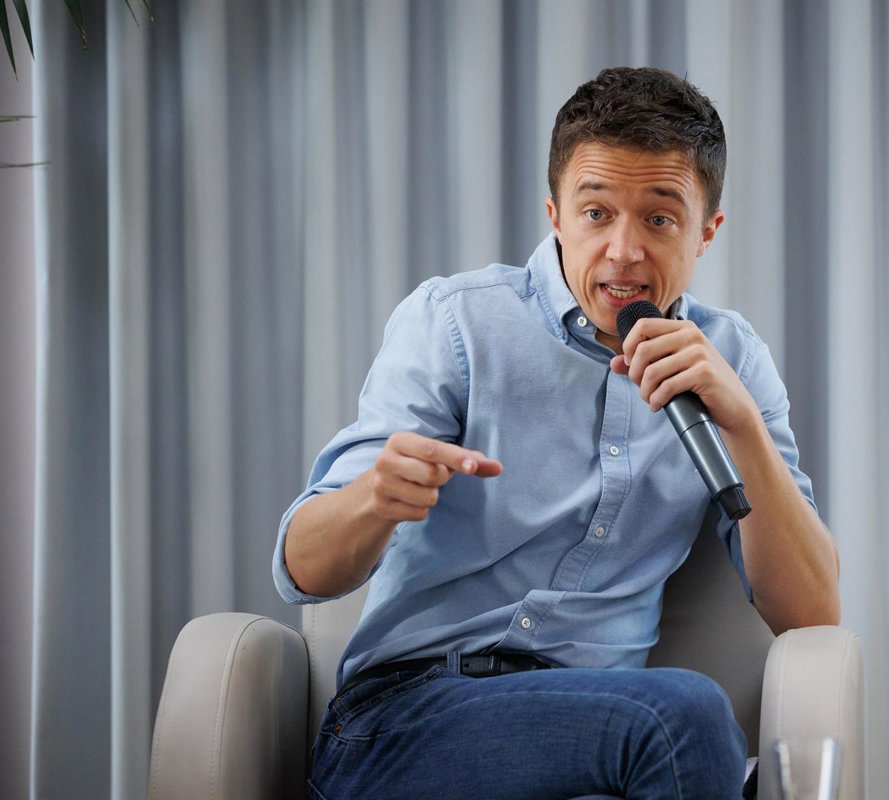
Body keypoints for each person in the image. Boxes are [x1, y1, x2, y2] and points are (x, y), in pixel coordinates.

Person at [274, 66, 840, 800]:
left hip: (598, 740)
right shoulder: (456, 323)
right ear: (556, 216)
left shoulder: (734, 361)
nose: (623, 250)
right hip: (406, 718)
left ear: (706, 232)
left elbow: (812, 615)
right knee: (685, 718)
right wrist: (374, 499)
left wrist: (743, 427)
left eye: (660, 219)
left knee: (681, 739)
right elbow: (303, 572)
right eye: (596, 213)